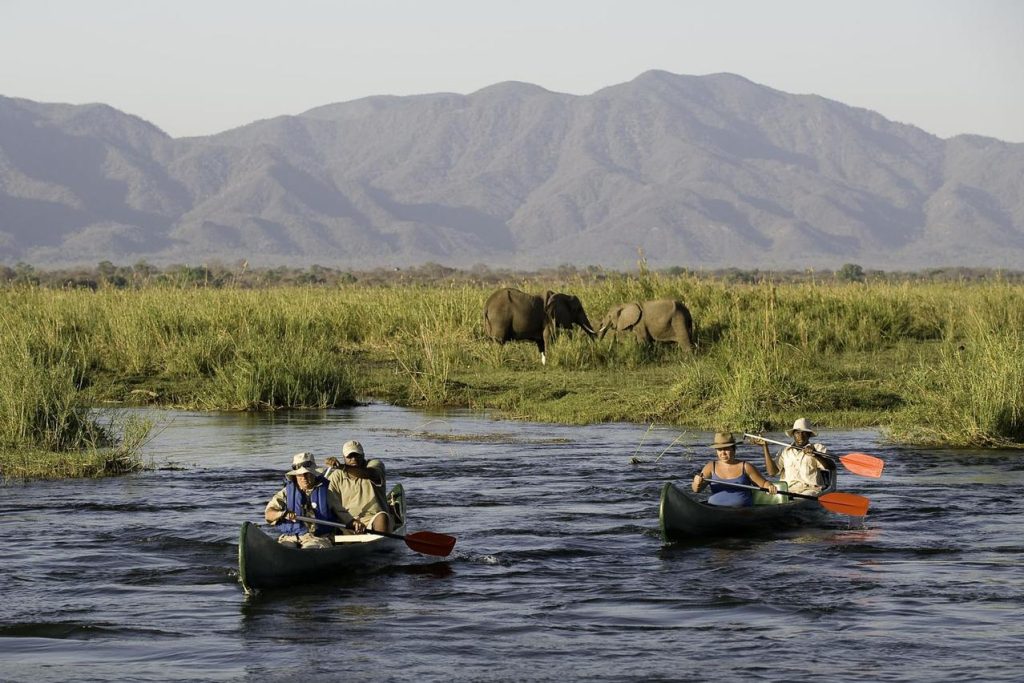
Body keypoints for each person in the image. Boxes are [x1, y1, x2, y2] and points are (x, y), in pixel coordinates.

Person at [264, 452, 364, 548]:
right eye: (300, 475)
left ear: (314, 473)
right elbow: (269, 514)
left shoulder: (327, 494)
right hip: (291, 537)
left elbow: (343, 515)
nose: (304, 478)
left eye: (307, 474)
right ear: (295, 476)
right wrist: (282, 514)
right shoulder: (285, 493)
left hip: (318, 538)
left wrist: (355, 523)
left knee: (309, 548)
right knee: (284, 547)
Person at [692, 432, 777, 506]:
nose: (723, 453)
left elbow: (763, 484)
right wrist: (697, 483)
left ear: (733, 449)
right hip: (715, 510)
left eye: (726, 449)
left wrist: (770, 486)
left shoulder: (746, 467)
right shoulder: (710, 466)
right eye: (719, 449)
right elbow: (696, 490)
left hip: (743, 512)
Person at [323, 440, 391, 532]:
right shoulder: (336, 476)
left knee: (382, 518)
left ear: (363, 455)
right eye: (350, 456)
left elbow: (372, 474)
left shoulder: (375, 465)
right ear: (344, 457)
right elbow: (329, 501)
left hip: (372, 518)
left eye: (357, 455)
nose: (354, 459)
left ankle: (381, 543)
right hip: (348, 520)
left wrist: (343, 467)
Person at [752, 418, 832, 495]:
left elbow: (830, 467)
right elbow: (772, 472)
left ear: (809, 435)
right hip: (787, 490)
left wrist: (816, 454)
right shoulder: (784, 451)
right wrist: (765, 447)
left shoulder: (818, 448)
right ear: (793, 434)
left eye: (804, 433)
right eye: (797, 432)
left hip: (810, 490)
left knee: (807, 495)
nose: (800, 436)